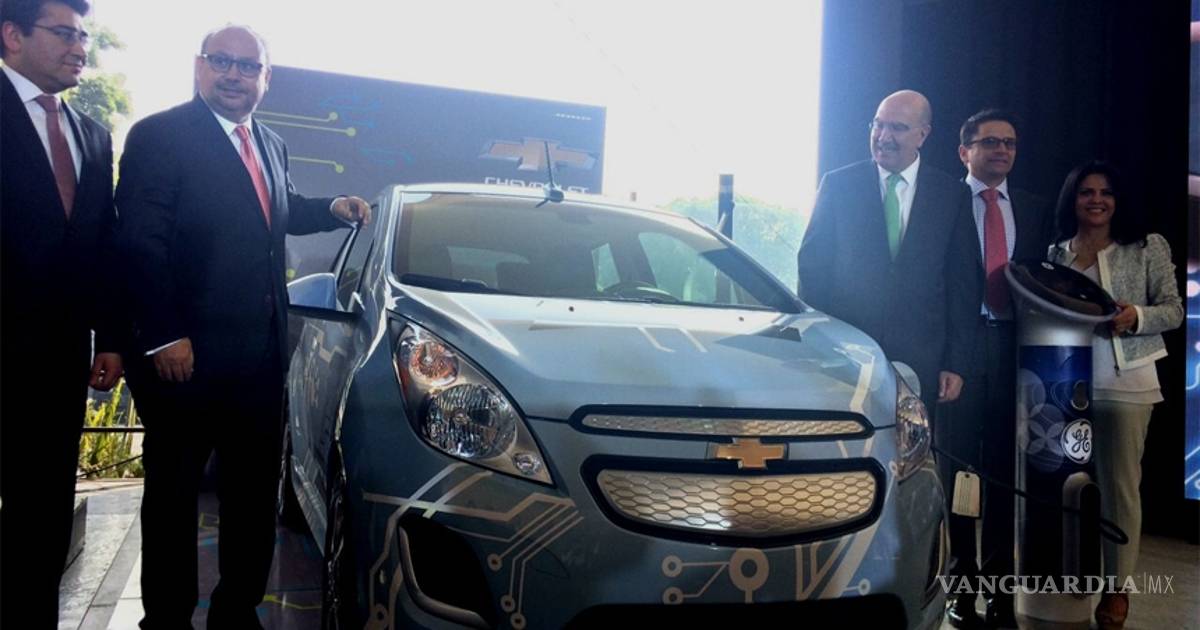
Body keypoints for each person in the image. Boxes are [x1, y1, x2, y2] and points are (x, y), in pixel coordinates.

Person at [115, 24, 370, 628]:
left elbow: (277, 211)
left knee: (253, 496)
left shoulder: (270, 144)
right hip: (184, 360)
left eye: (247, 66)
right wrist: (164, 334)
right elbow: (141, 244)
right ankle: (167, 618)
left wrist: (330, 209)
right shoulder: (160, 135)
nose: (234, 74)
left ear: (266, 78)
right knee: (174, 497)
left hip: (259, 360)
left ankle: (236, 611)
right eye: (222, 62)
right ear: (200, 67)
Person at [0, 0, 124, 626]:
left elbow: (101, 245)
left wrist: (111, 337)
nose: (80, 47)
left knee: (43, 512)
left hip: (58, 359)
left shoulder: (92, 135)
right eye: (64, 33)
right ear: (12, 35)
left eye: (84, 36)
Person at [1047, 161, 1181, 630]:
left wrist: (1135, 317)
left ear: (1117, 200)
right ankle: (1069, 583)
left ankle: (1117, 589)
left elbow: (1174, 310)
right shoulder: (1056, 252)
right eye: (1086, 192)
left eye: (1105, 192)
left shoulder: (1146, 247)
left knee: (1119, 492)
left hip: (1127, 386)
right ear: (1073, 199)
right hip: (1065, 390)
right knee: (1064, 491)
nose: (1096, 200)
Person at [941, 109, 1053, 629]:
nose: (1002, 150)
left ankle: (1002, 595)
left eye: (1009, 143)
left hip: (1014, 351)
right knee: (962, 475)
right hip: (959, 356)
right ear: (965, 151)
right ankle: (962, 589)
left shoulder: (1034, 208)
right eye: (989, 142)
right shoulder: (943, 204)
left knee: (1007, 478)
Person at [797, 89, 977, 409]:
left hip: (922, 360)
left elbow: (962, 283)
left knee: (912, 441)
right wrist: (817, 344)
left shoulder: (951, 195)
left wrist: (956, 363)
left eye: (897, 128)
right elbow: (812, 270)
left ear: (923, 134)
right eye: (878, 125)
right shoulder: (838, 185)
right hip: (844, 354)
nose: (883, 137)